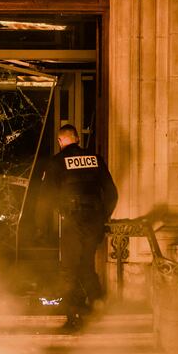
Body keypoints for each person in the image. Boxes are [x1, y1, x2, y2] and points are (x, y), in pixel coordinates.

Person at [37, 123, 119, 331]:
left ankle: (73, 316)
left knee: (68, 269)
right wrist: (103, 217)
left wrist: (42, 227)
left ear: (60, 141)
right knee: (87, 266)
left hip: (73, 221)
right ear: (77, 139)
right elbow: (111, 194)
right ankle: (100, 309)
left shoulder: (57, 162)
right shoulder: (95, 160)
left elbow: (45, 198)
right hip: (93, 221)